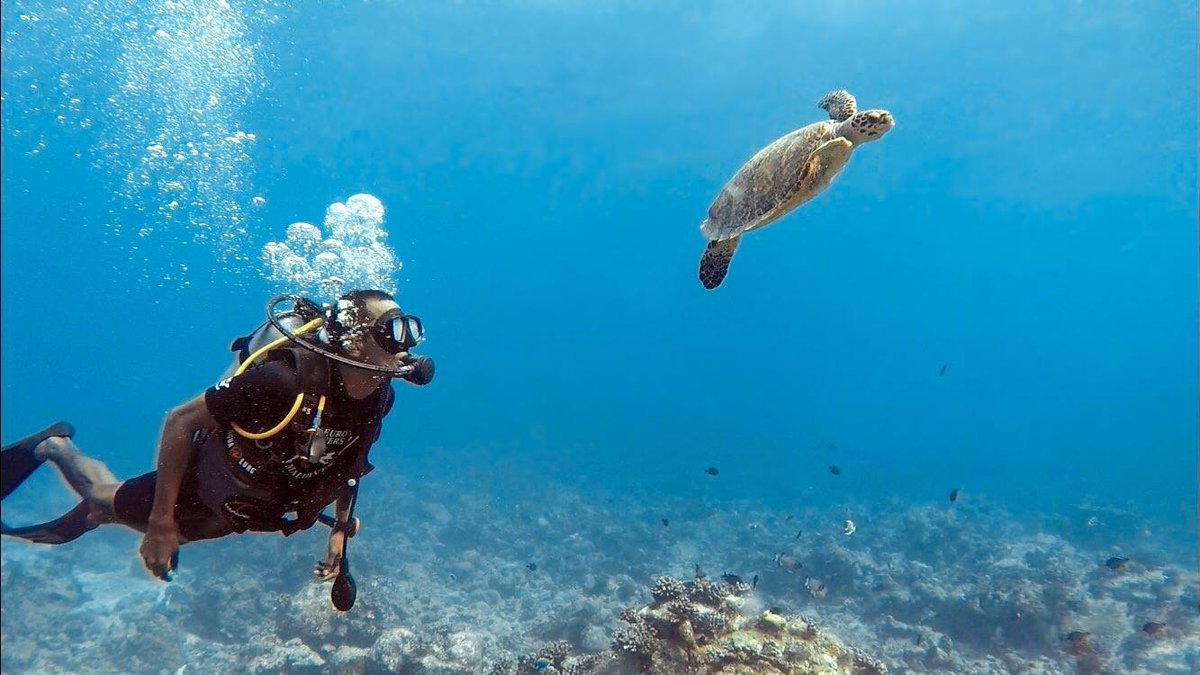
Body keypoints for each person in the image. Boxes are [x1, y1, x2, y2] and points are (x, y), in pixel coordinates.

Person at [1, 290, 433, 603]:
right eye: (393, 332)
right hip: (209, 478)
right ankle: (56, 447)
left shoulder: (380, 396)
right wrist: (160, 523)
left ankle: (107, 510)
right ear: (353, 340)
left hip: (250, 501)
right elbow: (181, 420)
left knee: (174, 531)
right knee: (104, 502)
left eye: (411, 331)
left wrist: (338, 533)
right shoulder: (281, 381)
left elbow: (350, 464)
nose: (407, 347)